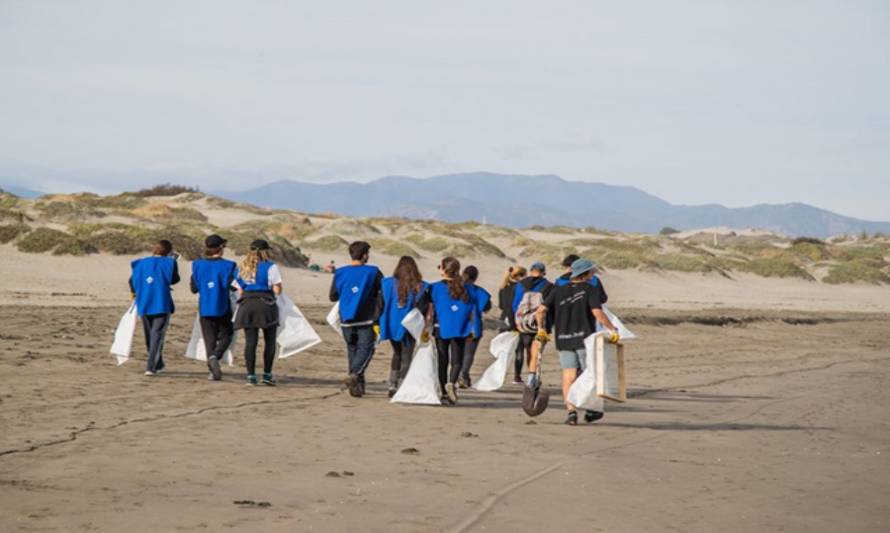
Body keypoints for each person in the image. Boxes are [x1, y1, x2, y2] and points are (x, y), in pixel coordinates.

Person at [535, 258, 619, 425]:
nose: (593, 274)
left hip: (563, 339)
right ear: (585, 273)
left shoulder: (558, 290)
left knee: (569, 376)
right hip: (584, 339)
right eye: (592, 271)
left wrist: (541, 329)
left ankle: (571, 412)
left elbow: (540, 310)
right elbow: (597, 312)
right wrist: (612, 329)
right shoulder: (590, 289)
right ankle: (590, 409)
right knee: (590, 374)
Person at [330, 241, 383, 398]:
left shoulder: (339, 272)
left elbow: (333, 296)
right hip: (366, 318)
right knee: (366, 350)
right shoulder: (373, 272)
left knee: (352, 350)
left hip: (346, 318)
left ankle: (357, 389)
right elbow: (383, 293)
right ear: (365, 255)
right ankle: (354, 375)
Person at [426, 256, 476, 405]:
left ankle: (443, 392)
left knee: (442, 360)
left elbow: (429, 310)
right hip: (460, 327)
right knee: (457, 360)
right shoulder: (466, 288)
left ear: (443, 269)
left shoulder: (433, 287)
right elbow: (476, 307)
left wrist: (426, 327)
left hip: (440, 328)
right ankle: (452, 383)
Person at [233, 239, 282, 386]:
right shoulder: (270, 267)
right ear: (264, 251)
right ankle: (267, 375)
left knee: (250, 342)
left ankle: (251, 376)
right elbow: (277, 289)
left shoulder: (241, 267)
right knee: (269, 341)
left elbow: (240, 290)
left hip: (247, 304)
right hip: (266, 304)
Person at [379, 256, 429, 397]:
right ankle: (401, 386)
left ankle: (392, 384)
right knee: (407, 356)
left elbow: (380, 304)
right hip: (410, 325)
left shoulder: (387, 283)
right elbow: (423, 308)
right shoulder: (421, 286)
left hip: (392, 323)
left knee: (397, 353)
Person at [129, 239, 180, 376]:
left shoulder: (141, 263)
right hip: (160, 302)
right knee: (156, 335)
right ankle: (151, 366)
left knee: (150, 335)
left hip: (144, 301)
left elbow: (132, 281)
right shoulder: (170, 262)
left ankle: (157, 363)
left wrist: (134, 294)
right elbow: (174, 279)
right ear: (168, 252)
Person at [190, 234, 237, 381]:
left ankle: (212, 368)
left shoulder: (197, 264)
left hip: (205, 306)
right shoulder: (229, 265)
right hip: (222, 305)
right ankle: (215, 357)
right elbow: (233, 286)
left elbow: (194, 288)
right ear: (221, 248)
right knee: (227, 335)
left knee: (209, 339)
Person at [511, 262, 553, 385]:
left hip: (522, 323)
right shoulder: (548, 286)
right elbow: (549, 306)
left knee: (523, 349)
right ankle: (533, 377)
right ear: (544, 272)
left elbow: (514, 305)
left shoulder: (520, 285)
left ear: (530, 271)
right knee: (535, 351)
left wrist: (517, 321)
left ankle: (522, 376)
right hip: (540, 323)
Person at [458, 265, 491, 388]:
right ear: (476, 277)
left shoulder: (456, 288)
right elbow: (486, 308)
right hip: (473, 325)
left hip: (456, 325)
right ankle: (464, 375)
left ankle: (455, 375)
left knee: (457, 352)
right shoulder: (480, 291)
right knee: (468, 353)